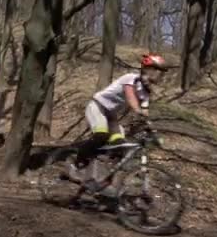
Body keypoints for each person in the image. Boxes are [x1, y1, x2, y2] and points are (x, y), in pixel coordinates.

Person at [68, 53, 168, 196]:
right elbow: (131, 97)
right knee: (101, 134)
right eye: (158, 71)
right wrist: (138, 111)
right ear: (147, 69)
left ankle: (104, 183)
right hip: (97, 106)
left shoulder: (145, 93)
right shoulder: (130, 79)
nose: (160, 75)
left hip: (111, 115)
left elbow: (145, 115)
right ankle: (76, 164)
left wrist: (153, 132)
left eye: (161, 72)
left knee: (120, 146)